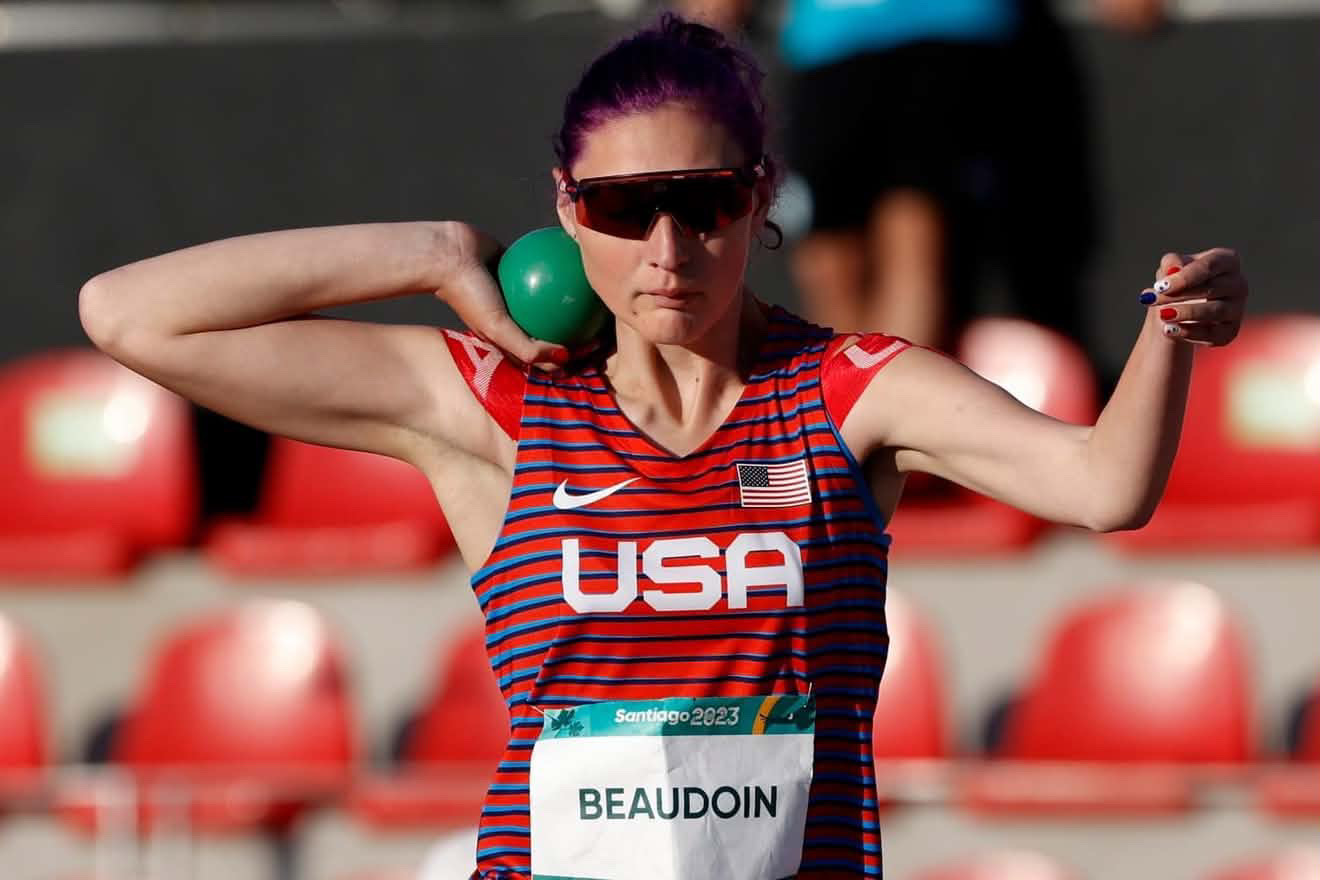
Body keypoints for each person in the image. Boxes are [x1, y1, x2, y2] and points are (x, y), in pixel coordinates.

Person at [77, 13, 1246, 879]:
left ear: (761, 198)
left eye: (708, 201)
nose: (670, 246)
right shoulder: (495, 404)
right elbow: (128, 314)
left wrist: (1172, 326)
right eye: (627, 208)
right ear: (566, 207)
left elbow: (1104, 487)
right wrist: (427, 250)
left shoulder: (851, 389)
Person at [679, 0, 1164, 357]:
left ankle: (897, 446)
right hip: (827, 50)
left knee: (914, 231)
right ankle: (850, 435)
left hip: (949, 37)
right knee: (827, 258)